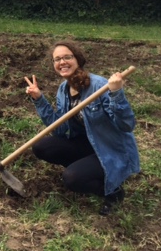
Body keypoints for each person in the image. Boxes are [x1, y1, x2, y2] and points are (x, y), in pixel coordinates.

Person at [24, 40, 140, 215]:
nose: (62, 62)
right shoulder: (63, 90)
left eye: (67, 57)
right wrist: (39, 99)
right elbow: (60, 130)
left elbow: (126, 125)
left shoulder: (99, 86)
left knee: (71, 178)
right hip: (87, 145)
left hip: (111, 150)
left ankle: (113, 192)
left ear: (77, 59)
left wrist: (116, 94)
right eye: (57, 59)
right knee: (42, 147)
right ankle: (86, 170)